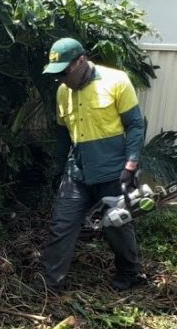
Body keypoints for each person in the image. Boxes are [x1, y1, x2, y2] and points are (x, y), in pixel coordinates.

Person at [41, 37, 148, 293]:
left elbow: (135, 125)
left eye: (65, 72)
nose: (62, 78)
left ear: (81, 60)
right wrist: (59, 169)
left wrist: (131, 165)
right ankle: (50, 283)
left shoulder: (117, 81)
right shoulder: (62, 91)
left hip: (112, 171)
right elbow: (63, 134)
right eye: (57, 74)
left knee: (117, 224)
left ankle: (129, 273)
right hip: (76, 172)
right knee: (62, 224)